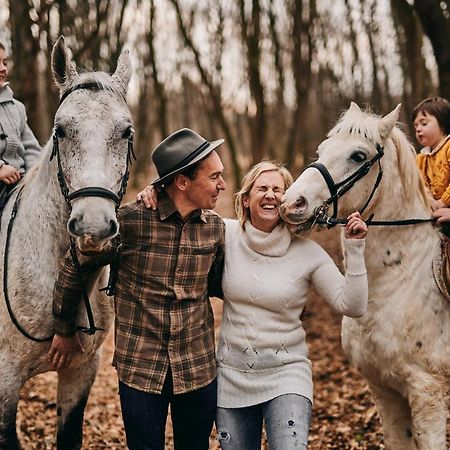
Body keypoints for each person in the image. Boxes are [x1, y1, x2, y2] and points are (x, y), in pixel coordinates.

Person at [139, 160, 368, 449]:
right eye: (262, 188)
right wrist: (156, 192)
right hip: (232, 381)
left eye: (277, 189)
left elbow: (353, 305)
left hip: (287, 375)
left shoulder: (308, 253)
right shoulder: (224, 233)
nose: (270, 194)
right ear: (246, 199)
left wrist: (355, 248)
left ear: (287, 199)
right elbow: (182, 212)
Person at [48, 128, 227, 450]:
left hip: (197, 367)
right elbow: (75, 264)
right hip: (141, 369)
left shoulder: (214, 228)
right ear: (183, 182)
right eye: (214, 177)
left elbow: (222, 284)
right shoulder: (130, 222)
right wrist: (63, 327)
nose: (222, 185)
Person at [0, 42, 42, 213]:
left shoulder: (17, 107)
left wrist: (35, 175)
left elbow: (31, 148)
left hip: (19, 189)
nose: (2, 68)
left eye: (4, 62)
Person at [414, 96, 450, 211]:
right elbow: (419, 184)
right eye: (416, 126)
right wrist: (428, 199)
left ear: (443, 124)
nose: (418, 129)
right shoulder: (420, 159)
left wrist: (442, 202)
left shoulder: (448, 148)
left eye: (424, 123)